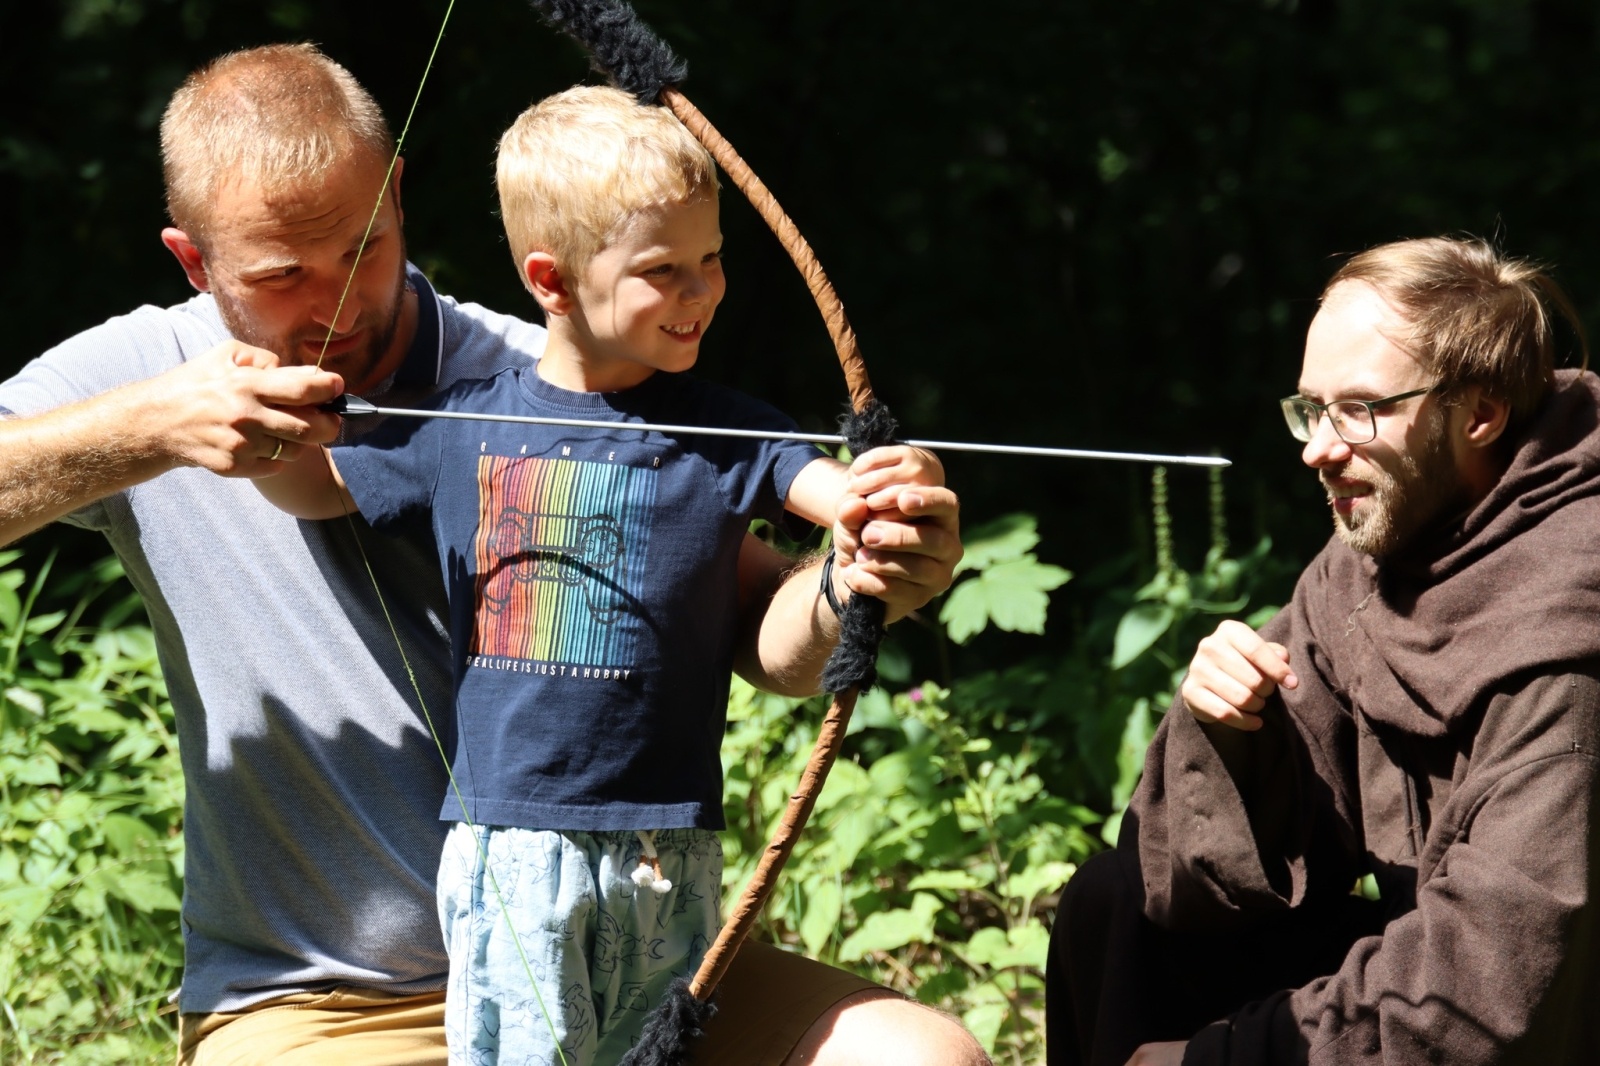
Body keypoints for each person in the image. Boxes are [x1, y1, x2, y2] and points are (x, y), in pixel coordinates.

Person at [0, 44, 983, 1066]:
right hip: (324, 1006)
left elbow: (759, 636)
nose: (339, 304)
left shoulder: (550, 379)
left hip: (625, 956)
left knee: (921, 1056)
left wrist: (855, 584)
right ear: (195, 263)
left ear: (401, 201)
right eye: (285, 275)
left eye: (364, 248)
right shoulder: (145, 377)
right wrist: (148, 431)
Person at [255, 82, 949, 1064]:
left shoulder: (722, 428)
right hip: (516, 845)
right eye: (665, 270)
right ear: (552, 281)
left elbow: (829, 490)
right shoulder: (467, 422)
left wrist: (884, 498)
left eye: (712, 259)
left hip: (670, 846)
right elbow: (319, 481)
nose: (703, 290)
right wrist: (254, 434)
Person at [1047, 236, 1600, 1066]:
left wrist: (1210, 1061)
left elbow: (1494, 989)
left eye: (1360, 410)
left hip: (1543, 1017)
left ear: (1480, 414)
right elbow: (1201, 870)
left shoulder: (1570, 639)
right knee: (1113, 905)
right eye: (1311, 408)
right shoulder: (1389, 542)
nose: (1317, 448)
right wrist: (1230, 725)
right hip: (1446, 963)